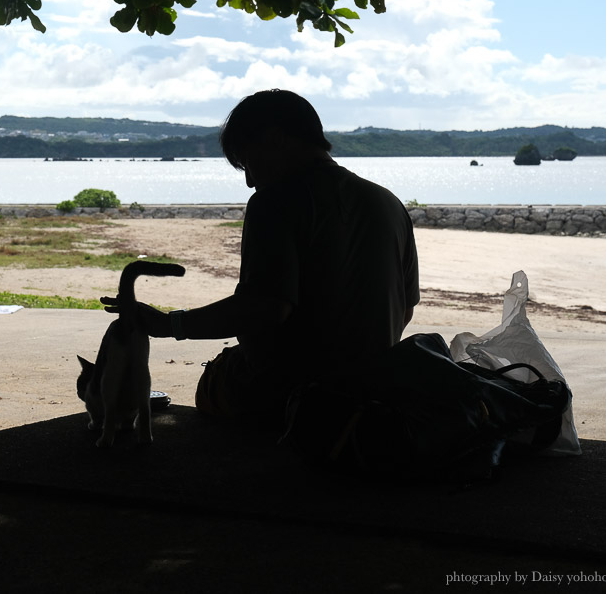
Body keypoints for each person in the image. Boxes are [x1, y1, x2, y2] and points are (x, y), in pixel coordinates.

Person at [103, 89, 420, 425]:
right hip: (376, 392)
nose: (249, 180)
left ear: (276, 140)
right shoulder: (389, 203)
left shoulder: (275, 201)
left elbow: (265, 308)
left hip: (297, 399)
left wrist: (170, 324)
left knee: (214, 380)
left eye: (247, 162)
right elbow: (406, 309)